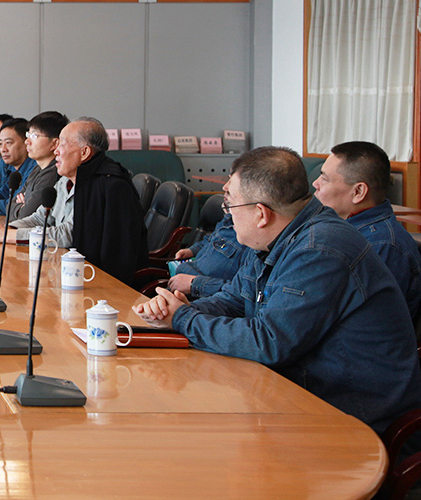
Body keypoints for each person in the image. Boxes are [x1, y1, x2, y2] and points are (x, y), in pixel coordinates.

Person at [135, 146, 421, 435]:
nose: (228, 217)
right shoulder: (275, 236)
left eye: (230, 206)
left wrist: (184, 318)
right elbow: (235, 299)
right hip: (301, 397)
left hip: (354, 420)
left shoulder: (319, 249)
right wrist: (178, 308)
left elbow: (270, 342)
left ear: (261, 214)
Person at [0, 117, 146, 289]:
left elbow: (68, 234)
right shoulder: (66, 180)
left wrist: (7, 236)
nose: (56, 151)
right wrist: (7, 228)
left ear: (84, 152)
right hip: (65, 271)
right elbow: (41, 217)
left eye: (63, 144)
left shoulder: (107, 186)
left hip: (101, 282)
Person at [312, 140, 421, 324]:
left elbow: (369, 323)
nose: (315, 183)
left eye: (325, 178)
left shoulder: (383, 247)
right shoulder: (341, 229)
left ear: (358, 192)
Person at [165, 213, 252, 298]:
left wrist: (194, 284)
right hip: (182, 286)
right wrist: (192, 250)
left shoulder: (251, 244)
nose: (227, 209)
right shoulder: (229, 218)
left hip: (201, 296)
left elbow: (241, 293)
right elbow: (211, 239)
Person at [8, 111, 67, 222]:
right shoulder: (37, 169)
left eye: (34, 136)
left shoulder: (53, 173)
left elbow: (26, 215)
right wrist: (21, 207)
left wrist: (22, 207)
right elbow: (9, 207)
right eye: (28, 135)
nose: (27, 141)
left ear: (55, 143)